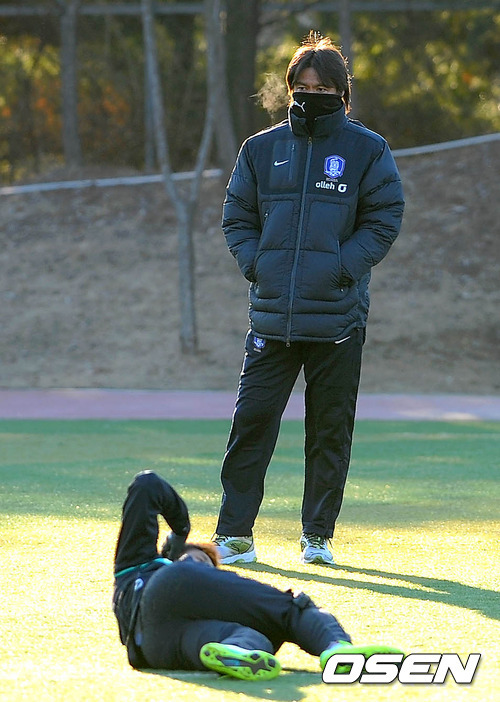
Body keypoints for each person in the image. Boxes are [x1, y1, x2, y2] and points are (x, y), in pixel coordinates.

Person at [213, 32, 405, 566]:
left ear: (342, 92)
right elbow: (236, 217)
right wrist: (258, 266)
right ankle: (234, 535)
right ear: (290, 87)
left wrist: (341, 269)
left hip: (338, 320)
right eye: (303, 86)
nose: (311, 95)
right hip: (272, 318)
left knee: (328, 434)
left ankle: (317, 536)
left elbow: (384, 219)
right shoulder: (260, 149)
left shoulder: (368, 150)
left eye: (323, 88)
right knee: (251, 425)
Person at [112, 470, 403, 680]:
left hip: (152, 649)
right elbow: (147, 485)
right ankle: (336, 647)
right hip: (165, 591)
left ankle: (237, 650)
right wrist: (181, 530)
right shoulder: (140, 562)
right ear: (175, 555)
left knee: (252, 639)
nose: (207, 570)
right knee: (291, 609)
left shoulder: (131, 573)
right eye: (200, 560)